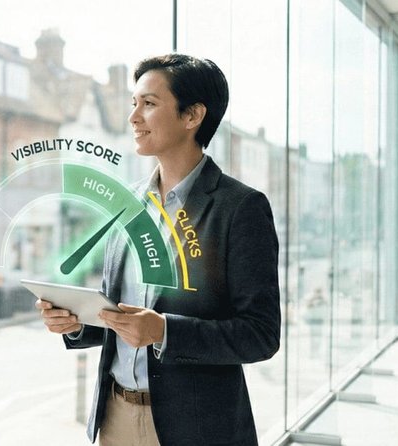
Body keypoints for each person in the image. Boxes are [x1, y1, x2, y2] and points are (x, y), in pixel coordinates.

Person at [38, 53, 280, 445]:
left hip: (196, 428)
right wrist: (77, 322)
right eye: (133, 104)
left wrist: (164, 331)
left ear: (192, 116)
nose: (134, 117)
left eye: (148, 104)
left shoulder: (240, 208)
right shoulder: (127, 205)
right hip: (115, 417)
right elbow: (121, 315)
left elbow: (261, 334)